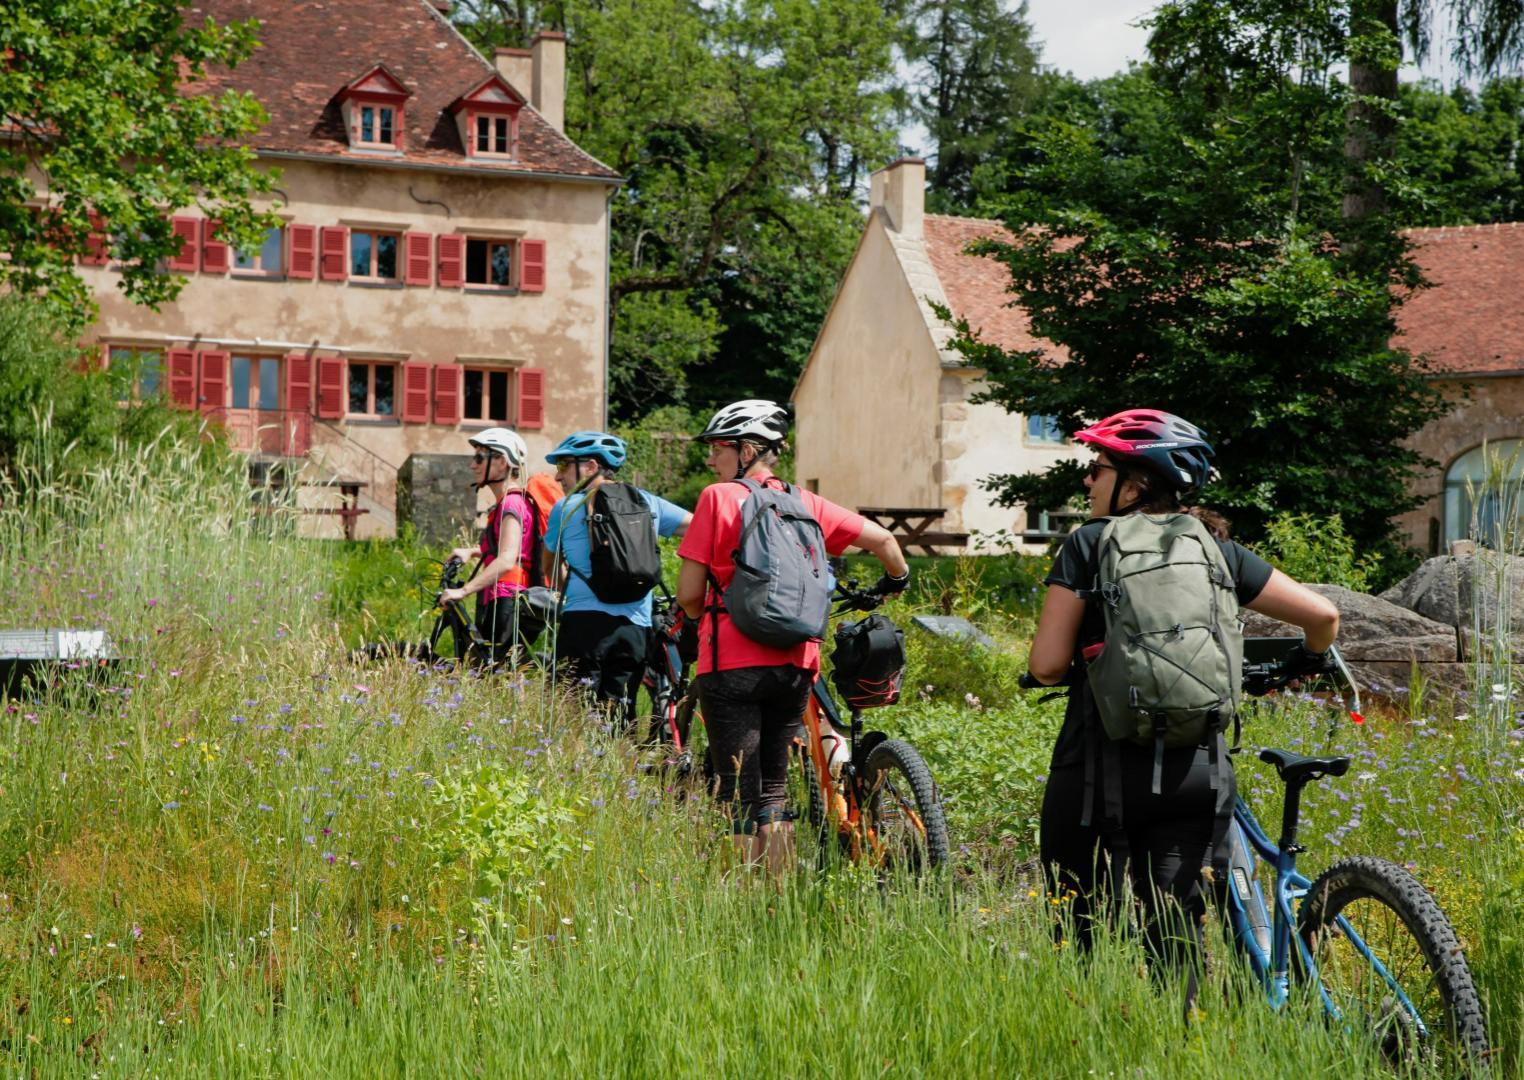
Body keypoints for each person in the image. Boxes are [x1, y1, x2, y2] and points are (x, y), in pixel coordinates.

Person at [1026, 408, 1340, 1013]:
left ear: (1134, 483)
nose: (1088, 482)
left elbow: (1044, 663)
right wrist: (1303, 663)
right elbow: (1324, 617)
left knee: (1081, 924)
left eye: (1098, 470)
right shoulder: (1217, 549)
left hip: (1095, 772)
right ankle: (1182, 1039)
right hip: (1197, 772)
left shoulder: (1087, 545)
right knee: (1177, 928)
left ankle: (1090, 1037)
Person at [675, 400, 910, 875]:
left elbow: (689, 595)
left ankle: (742, 904)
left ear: (745, 450)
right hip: (796, 664)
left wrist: (715, 610)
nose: (711, 459)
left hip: (731, 663)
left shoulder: (718, 498)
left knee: (738, 792)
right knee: (774, 790)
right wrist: (895, 582)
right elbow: (886, 543)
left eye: (717, 448)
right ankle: (777, 903)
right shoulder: (807, 502)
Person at [541, 430, 691, 726]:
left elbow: (549, 565)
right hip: (635, 629)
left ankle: (576, 771)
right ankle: (619, 768)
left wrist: (565, 591)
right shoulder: (649, 503)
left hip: (583, 625)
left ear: (591, 466)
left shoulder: (566, 508)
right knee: (621, 716)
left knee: (571, 717)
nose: (558, 478)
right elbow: (701, 527)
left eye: (562, 466)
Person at [439, 427, 546, 667]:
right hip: (499, 597)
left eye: (479, 458)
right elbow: (514, 548)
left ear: (502, 461)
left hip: (507, 599)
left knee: (498, 672)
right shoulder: (508, 503)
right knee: (489, 669)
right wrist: (472, 551)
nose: (472, 465)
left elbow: (508, 559)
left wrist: (463, 591)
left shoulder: (512, 503)